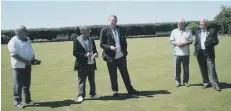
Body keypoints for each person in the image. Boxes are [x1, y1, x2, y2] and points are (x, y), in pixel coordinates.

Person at [100, 15, 140, 96]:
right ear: (109, 21)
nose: (113, 22)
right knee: (113, 75)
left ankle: (130, 89)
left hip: (121, 56)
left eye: (114, 20)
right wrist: (110, 47)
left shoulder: (120, 29)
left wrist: (124, 51)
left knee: (125, 73)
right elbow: (101, 44)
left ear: (116, 21)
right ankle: (115, 91)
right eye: (111, 20)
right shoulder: (104, 30)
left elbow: (124, 41)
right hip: (110, 57)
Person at [8, 26, 38, 108]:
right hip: (18, 66)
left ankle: (28, 100)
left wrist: (34, 59)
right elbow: (14, 55)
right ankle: (17, 102)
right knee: (18, 84)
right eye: (25, 30)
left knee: (27, 84)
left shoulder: (27, 39)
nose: (26, 31)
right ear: (19, 32)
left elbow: (31, 50)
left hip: (27, 65)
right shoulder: (13, 41)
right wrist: (26, 61)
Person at [73, 26, 101, 103]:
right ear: (82, 32)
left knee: (92, 80)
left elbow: (95, 50)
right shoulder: (76, 40)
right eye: (88, 31)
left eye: (89, 30)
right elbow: (75, 53)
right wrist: (86, 55)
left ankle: (93, 94)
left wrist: (96, 54)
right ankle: (81, 95)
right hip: (82, 64)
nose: (89, 32)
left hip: (91, 63)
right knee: (81, 81)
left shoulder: (91, 39)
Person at [194, 18, 221, 91]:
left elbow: (216, 41)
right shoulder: (198, 32)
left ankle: (215, 84)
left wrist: (210, 43)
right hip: (200, 53)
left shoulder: (212, 31)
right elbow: (196, 42)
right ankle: (206, 83)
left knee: (212, 68)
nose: (200, 24)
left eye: (202, 23)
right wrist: (196, 50)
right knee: (203, 69)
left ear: (206, 24)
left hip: (209, 52)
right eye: (200, 23)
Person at [169, 18, 193, 87]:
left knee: (186, 68)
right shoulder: (174, 31)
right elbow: (171, 40)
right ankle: (177, 81)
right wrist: (176, 44)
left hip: (186, 53)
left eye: (181, 23)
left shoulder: (188, 31)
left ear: (183, 24)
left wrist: (185, 43)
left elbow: (191, 40)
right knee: (177, 69)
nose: (179, 24)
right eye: (178, 23)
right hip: (176, 53)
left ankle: (185, 81)